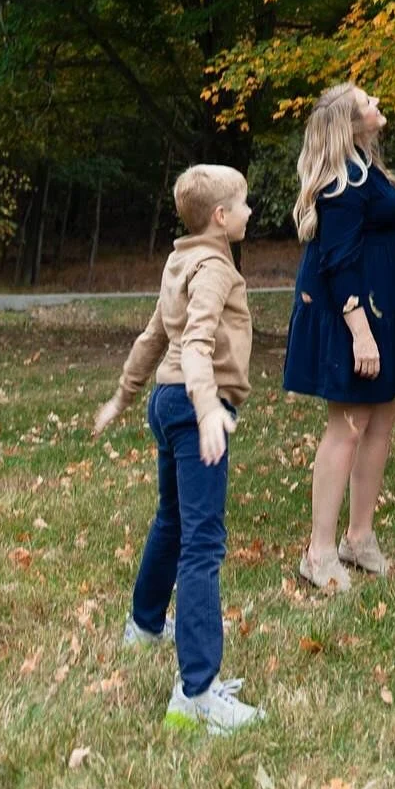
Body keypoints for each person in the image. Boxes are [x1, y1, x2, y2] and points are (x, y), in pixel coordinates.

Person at [93, 164, 264, 734]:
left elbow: (152, 336)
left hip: (165, 405)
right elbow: (192, 342)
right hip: (192, 408)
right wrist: (209, 405)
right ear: (220, 218)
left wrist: (123, 396)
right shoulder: (214, 268)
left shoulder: (180, 259)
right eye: (242, 204)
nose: (248, 212)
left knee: (171, 521)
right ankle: (196, 693)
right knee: (202, 544)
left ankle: (144, 625)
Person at [283, 83, 395, 591]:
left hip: (382, 301)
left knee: (382, 415)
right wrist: (361, 333)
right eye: (369, 101)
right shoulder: (342, 181)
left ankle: (358, 538)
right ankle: (318, 553)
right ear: (349, 120)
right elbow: (337, 262)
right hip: (352, 307)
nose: (379, 104)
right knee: (347, 423)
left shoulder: (367, 166)